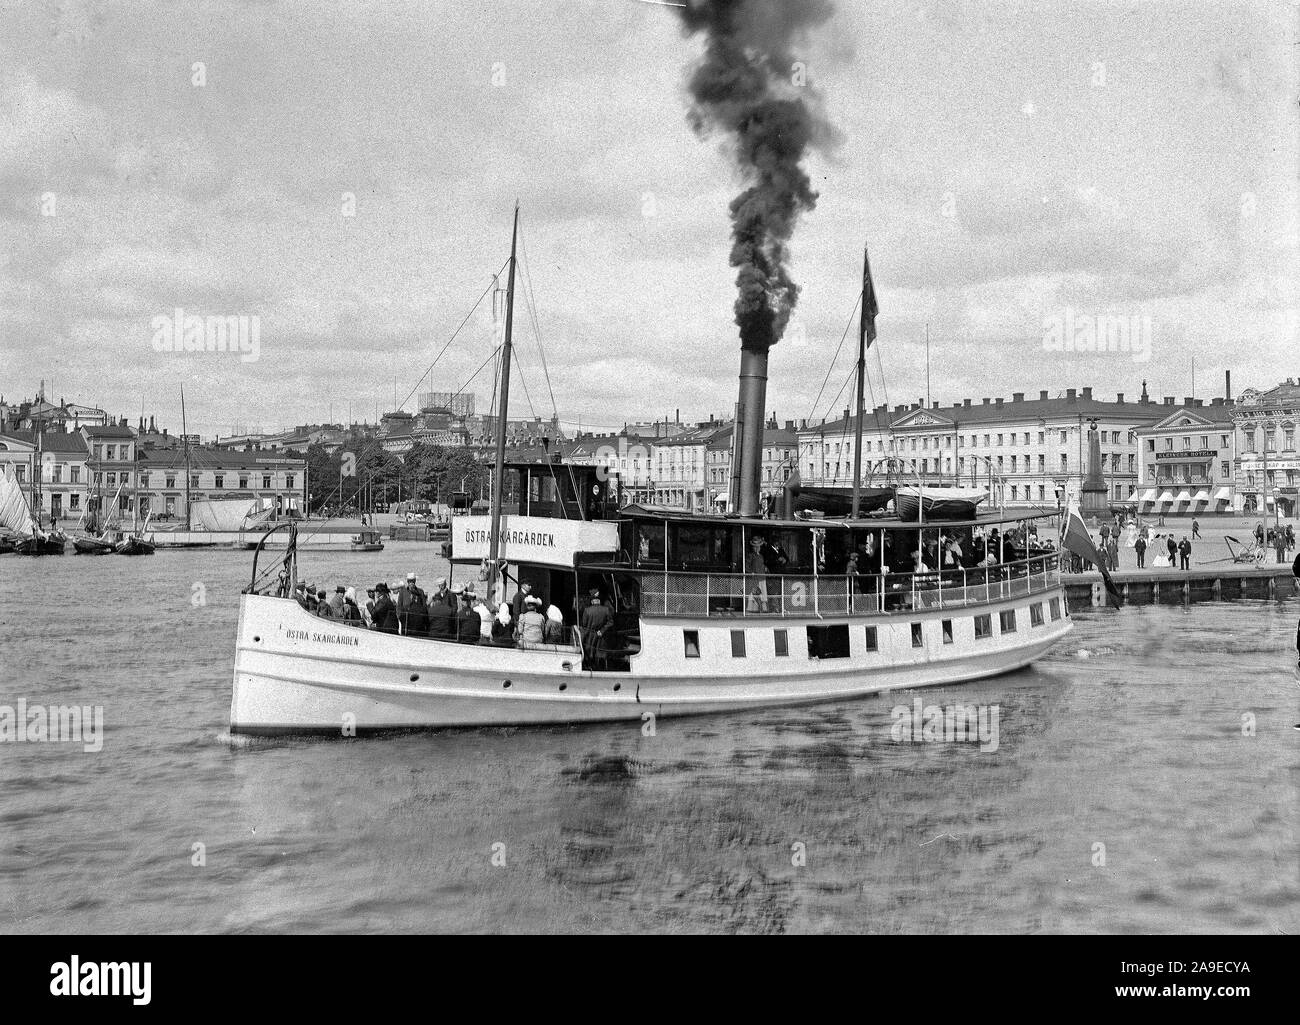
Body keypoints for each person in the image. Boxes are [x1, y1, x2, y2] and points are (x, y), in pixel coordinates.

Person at [579, 588, 613, 668]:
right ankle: (601, 668)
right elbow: (610, 622)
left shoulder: (587, 610)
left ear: (592, 601)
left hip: (590, 635)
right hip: (601, 635)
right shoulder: (606, 610)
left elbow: (584, 624)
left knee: (589, 653)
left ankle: (590, 667)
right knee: (600, 654)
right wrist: (602, 631)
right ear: (599, 601)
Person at [745, 536, 769, 612]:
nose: (757, 548)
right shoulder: (751, 555)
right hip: (754, 578)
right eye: (755, 547)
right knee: (753, 593)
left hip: (762, 577)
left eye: (758, 546)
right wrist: (750, 572)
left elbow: (761, 564)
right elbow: (747, 566)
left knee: (763, 593)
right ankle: (753, 608)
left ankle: (762, 608)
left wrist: (765, 568)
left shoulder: (761, 556)